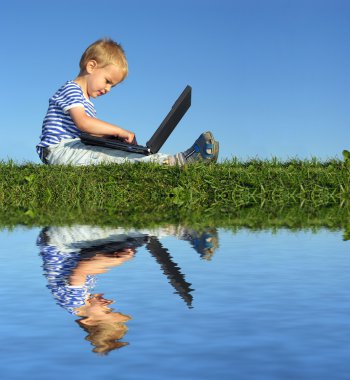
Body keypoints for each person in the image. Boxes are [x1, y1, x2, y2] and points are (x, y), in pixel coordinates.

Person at [36, 38, 219, 166]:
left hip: (73, 147)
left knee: (120, 153)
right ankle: (177, 161)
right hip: (59, 151)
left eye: (112, 87)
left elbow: (87, 132)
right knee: (112, 159)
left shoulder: (86, 101)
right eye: (107, 81)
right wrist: (119, 131)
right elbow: (83, 123)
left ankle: (162, 159)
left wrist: (112, 139)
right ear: (91, 66)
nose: (107, 89)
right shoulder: (71, 89)